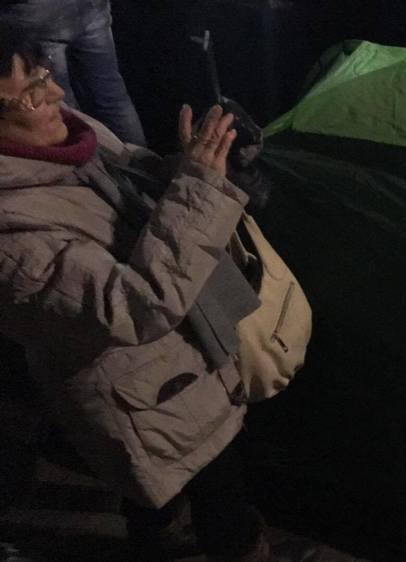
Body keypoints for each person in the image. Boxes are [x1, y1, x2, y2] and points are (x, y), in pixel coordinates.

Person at [0, 23, 341, 562]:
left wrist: (191, 164)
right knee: (216, 499)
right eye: (33, 90)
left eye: (44, 74)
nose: (58, 93)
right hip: (139, 396)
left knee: (156, 490)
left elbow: (140, 203)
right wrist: (199, 188)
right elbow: (134, 306)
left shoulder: (68, 137)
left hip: (179, 364)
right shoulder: (12, 234)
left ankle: (159, 536)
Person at [0, 0, 147, 146]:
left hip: (37, 13)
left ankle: (76, 154)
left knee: (60, 112)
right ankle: (137, 155)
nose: (59, 93)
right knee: (112, 97)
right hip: (90, 6)